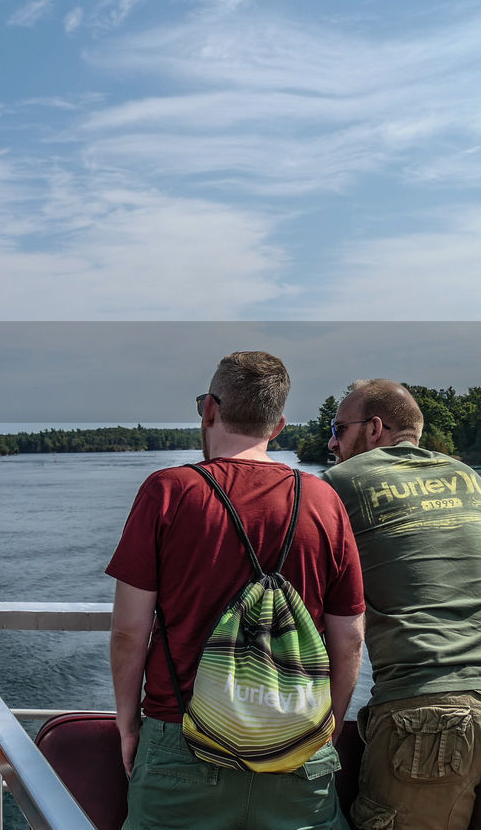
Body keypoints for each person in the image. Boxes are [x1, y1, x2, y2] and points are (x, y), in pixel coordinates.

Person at [108, 351, 366, 830]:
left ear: (210, 410)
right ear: (278, 426)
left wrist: (128, 725)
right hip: (296, 752)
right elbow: (348, 638)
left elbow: (128, 631)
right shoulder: (323, 499)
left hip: (181, 741)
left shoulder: (169, 491)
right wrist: (322, 732)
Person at [323, 379, 481, 830]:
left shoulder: (339, 483)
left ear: (374, 428)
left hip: (425, 709)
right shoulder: (470, 478)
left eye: (339, 429)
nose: (331, 442)